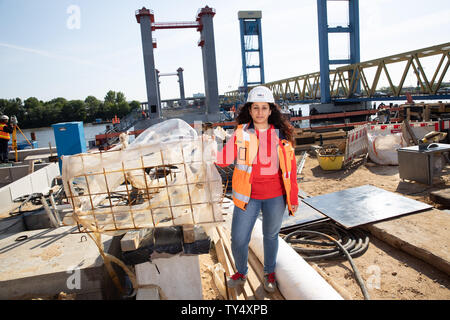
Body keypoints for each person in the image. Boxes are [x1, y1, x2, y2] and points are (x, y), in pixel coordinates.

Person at [215, 86, 299, 293]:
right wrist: (209, 146)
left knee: (271, 236)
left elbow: (291, 171)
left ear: (271, 111)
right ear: (250, 111)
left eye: (264, 108)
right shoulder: (241, 133)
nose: (260, 112)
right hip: (248, 196)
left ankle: (269, 273)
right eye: (255, 108)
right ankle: (241, 272)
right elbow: (224, 160)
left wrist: (293, 197)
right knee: (239, 239)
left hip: (275, 197)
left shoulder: (282, 136)